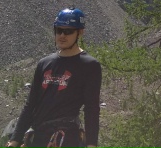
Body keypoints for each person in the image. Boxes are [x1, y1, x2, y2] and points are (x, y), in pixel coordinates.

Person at [6, 8, 102, 148]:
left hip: (66, 137)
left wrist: (91, 144)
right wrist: (15, 139)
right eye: (59, 30)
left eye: (68, 31)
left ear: (80, 32)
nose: (62, 35)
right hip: (38, 136)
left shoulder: (89, 65)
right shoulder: (44, 63)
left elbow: (91, 108)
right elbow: (31, 104)